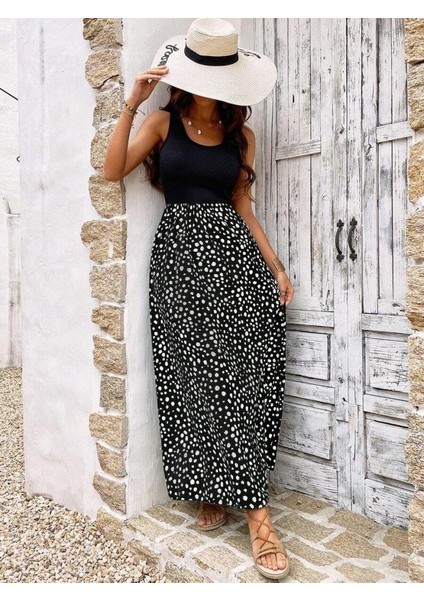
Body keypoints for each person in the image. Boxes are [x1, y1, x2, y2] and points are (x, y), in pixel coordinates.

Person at [103, 18, 295, 581]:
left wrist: (275, 266)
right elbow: (112, 170)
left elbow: (243, 207)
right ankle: (223, 496)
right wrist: (132, 102)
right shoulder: (162, 122)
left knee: (246, 377)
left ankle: (249, 504)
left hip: (236, 263)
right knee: (193, 377)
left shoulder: (242, 137)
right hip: (181, 266)